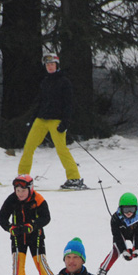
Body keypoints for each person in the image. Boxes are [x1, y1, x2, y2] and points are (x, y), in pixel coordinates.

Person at [17, 53, 86, 190]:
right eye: (47, 64)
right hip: (41, 120)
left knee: (61, 149)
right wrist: (32, 120)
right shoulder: (45, 81)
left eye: (52, 64)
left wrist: (65, 122)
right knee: (28, 147)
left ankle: (74, 178)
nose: (49, 67)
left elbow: (69, 104)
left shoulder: (64, 82)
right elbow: (40, 102)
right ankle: (22, 177)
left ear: (57, 66)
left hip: (56, 121)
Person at [0, 174, 54, 275]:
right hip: (18, 238)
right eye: (17, 190)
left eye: (23, 190)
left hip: (36, 237)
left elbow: (46, 218)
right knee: (17, 266)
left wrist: (33, 225)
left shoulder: (38, 199)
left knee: (42, 265)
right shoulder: (12, 199)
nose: (20, 194)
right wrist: (9, 228)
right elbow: (2, 218)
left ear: (30, 189)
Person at [95, 192, 138, 275]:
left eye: (131, 209)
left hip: (134, 234)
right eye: (126, 210)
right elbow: (117, 235)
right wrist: (124, 250)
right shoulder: (115, 218)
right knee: (116, 250)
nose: (129, 213)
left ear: (136, 209)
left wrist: (137, 248)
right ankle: (102, 272)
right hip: (121, 235)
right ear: (120, 208)